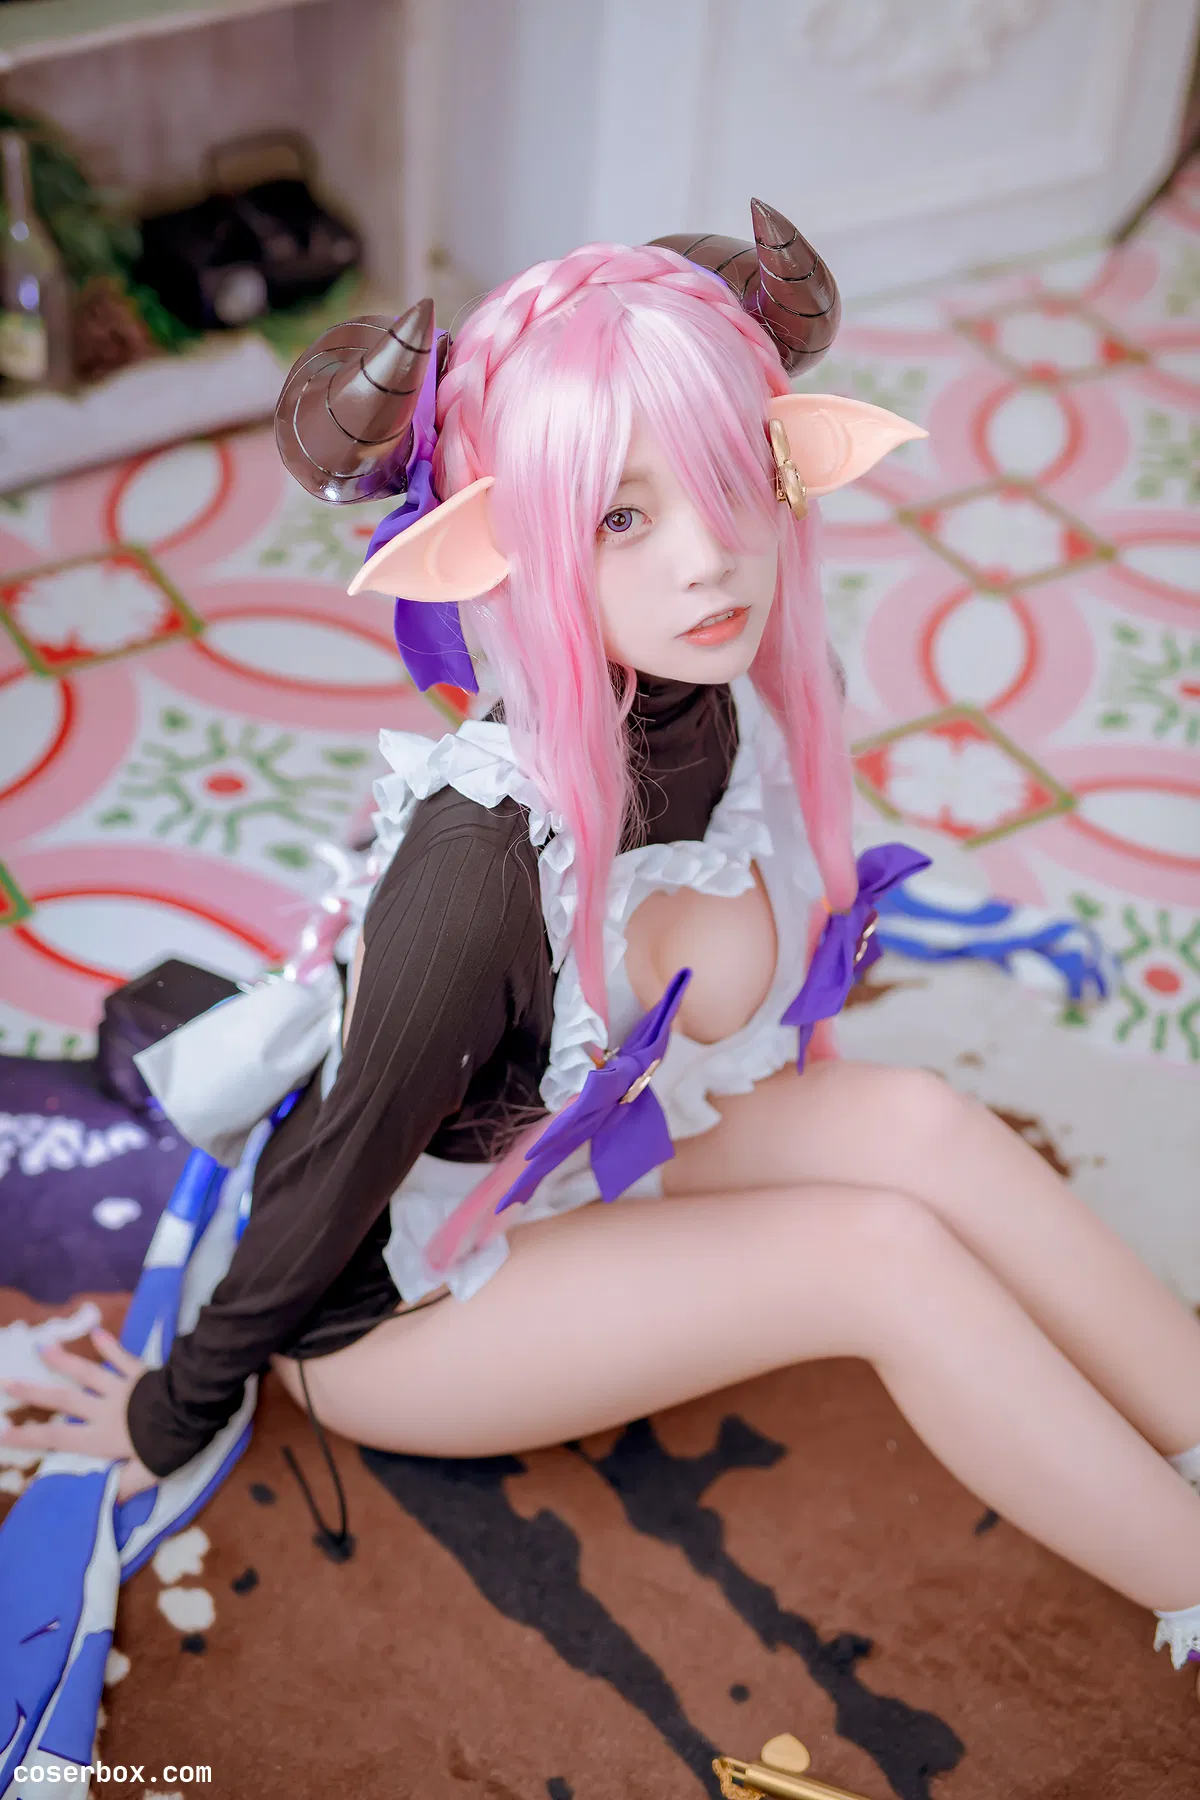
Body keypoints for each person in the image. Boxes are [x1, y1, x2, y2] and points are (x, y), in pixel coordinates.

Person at [5, 203, 1200, 1687]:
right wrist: (172, 1407)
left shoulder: (722, 696)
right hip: (402, 1306)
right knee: (881, 1258)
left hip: (576, 1157)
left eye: (726, 476)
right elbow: (341, 1169)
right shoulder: (479, 870)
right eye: (621, 516)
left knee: (924, 1126)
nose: (712, 561)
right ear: (509, 543)